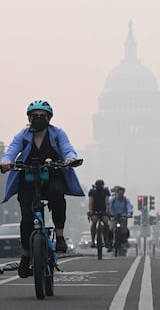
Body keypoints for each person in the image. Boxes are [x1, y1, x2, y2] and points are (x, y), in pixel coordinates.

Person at [0, 100, 84, 278]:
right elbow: (11, 151)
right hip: (29, 179)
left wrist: (70, 159)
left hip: (52, 176)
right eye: (35, 116)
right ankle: (25, 256)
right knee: (27, 219)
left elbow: (67, 148)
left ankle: (60, 236)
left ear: (49, 118)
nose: (38, 119)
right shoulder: (22, 136)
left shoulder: (57, 133)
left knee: (57, 195)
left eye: (43, 116)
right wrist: (6, 161)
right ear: (29, 118)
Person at [108, 186, 132, 252]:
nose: (120, 195)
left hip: (122, 216)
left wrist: (129, 213)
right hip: (114, 216)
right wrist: (110, 213)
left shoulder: (125, 200)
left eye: (122, 193)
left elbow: (129, 206)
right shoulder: (113, 199)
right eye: (119, 193)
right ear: (117, 193)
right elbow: (109, 206)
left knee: (124, 227)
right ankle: (110, 243)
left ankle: (124, 238)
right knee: (111, 228)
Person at [88, 179, 110, 248]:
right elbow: (90, 202)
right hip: (95, 210)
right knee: (94, 221)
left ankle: (106, 239)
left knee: (105, 222)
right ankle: (93, 240)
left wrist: (107, 210)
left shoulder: (106, 191)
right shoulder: (92, 191)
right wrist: (91, 210)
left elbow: (107, 202)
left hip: (103, 210)